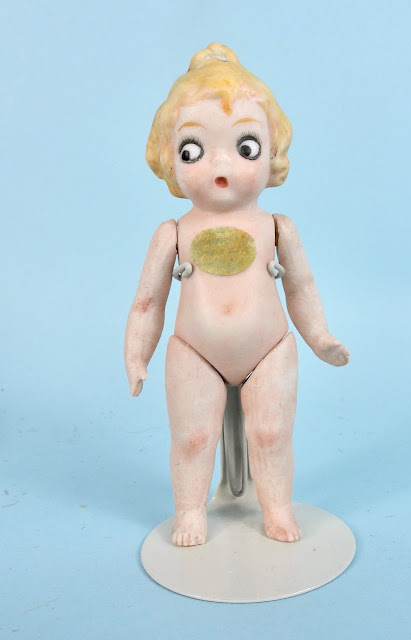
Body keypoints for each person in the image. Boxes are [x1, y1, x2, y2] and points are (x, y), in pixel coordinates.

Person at [124, 43, 349, 547]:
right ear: (169, 159)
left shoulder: (276, 227)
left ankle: (277, 507)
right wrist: (137, 354)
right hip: (194, 350)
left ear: (273, 154)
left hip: (269, 349)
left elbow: (301, 286)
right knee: (192, 438)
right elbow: (147, 302)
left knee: (271, 434)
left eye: (245, 147)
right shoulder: (173, 232)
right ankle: (189, 510)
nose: (220, 167)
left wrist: (319, 337)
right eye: (193, 150)